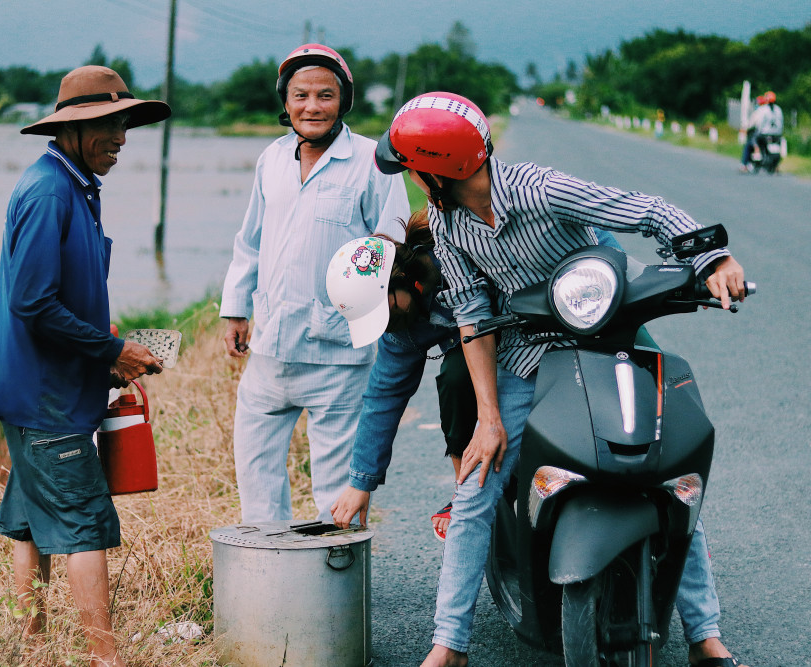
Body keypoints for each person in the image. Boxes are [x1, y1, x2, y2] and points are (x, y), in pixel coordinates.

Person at [374, 91, 749, 667]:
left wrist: (712, 258)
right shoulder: (449, 227)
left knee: (666, 467)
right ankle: (449, 644)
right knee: (474, 489)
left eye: (413, 168)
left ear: (434, 172)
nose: (414, 181)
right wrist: (489, 420)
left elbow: (642, 210)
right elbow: (473, 318)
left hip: (608, 335)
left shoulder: (538, 188)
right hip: (527, 357)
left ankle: (705, 632)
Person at [0, 65, 169, 667]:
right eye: (111, 124)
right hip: (45, 396)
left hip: (45, 386)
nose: (121, 137)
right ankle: (104, 659)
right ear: (74, 128)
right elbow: (32, 301)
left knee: (33, 521)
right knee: (84, 525)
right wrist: (112, 350)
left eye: (124, 123)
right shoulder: (49, 191)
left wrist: (106, 353)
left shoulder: (73, 185)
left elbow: (60, 296)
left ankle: (29, 644)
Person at [328, 214, 626, 542]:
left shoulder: (457, 257)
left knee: (632, 357)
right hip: (480, 350)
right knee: (456, 376)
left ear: (402, 278)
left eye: (385, 313)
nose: (386, 326)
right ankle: (465, 491)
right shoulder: (401, 327)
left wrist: (614, 289)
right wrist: (361, 483)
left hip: (546, 316)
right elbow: (382, 397)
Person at [219, 44, 410, 523]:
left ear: (343, 101)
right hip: (270, 347)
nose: (312, 106)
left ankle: (337, 591)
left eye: (325, 95)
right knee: (257, 476)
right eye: (300, 95)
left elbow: (393, 238)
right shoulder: (273, 158)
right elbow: (250, 240)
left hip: (337, 354)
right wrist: (236, 308)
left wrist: (360, 302)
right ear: (285, 102)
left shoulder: (373, 160)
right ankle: (271, 583)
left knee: (336, 489)